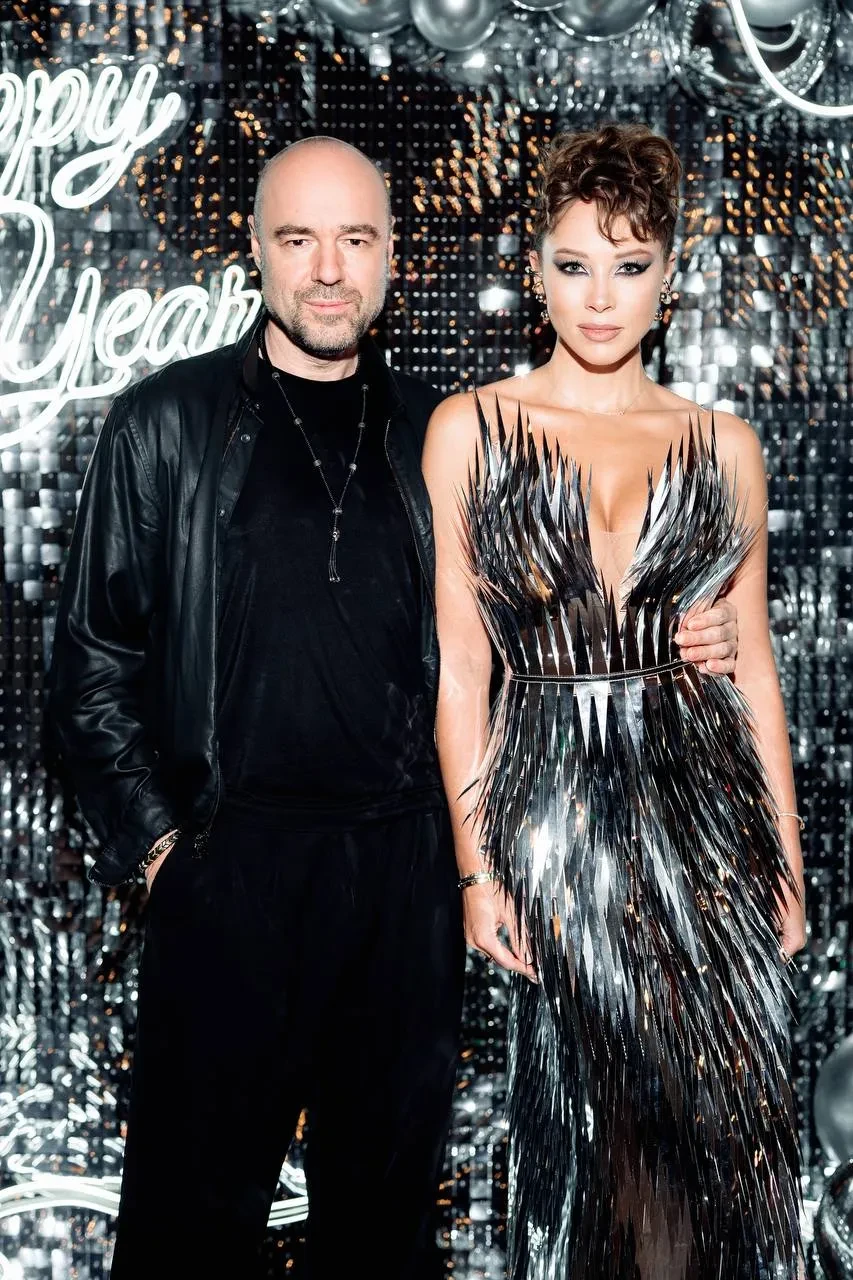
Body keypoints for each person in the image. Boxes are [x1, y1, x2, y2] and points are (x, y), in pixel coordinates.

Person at [47, 135, 740, 1279]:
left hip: (405, 889)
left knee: (383, 1241)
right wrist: (168, 857)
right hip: (231, 877)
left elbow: (533, 642)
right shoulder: (165, 422)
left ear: (390, 255)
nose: (328, 269)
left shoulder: (445, 434)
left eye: (355, 239)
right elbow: (89, 667)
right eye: (299, 239)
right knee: (184, 1233)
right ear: (256, 250)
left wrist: (676, 637)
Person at [423, 122, 805, 1280]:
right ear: (536, 270)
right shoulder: (468, 431)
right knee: (590, 1149)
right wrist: (476, 866)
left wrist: (786, 864)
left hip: (705, 827)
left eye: (629, 265)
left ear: (669, 276)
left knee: (713, 1147)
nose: (600, 297)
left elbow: (754, 668)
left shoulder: (724, 446)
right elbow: (460, 667)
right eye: (574, 264)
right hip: (552, 824)